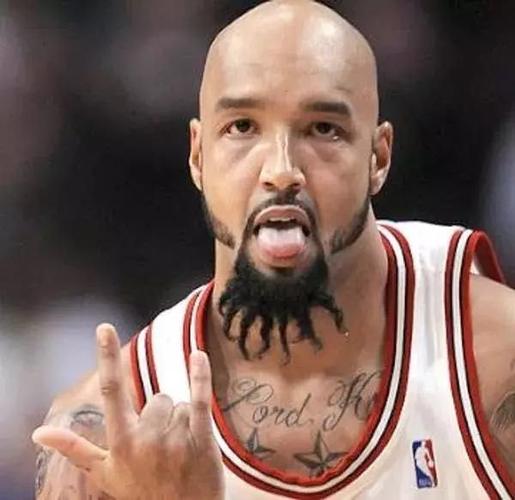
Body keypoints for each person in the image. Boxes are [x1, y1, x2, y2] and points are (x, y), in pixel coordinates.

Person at [32, 0, 515, 498]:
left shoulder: (494, 361)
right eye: (242, 127)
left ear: (378, 157)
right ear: (198, 156)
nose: (282, 170)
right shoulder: (103, 438)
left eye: (323, 129)